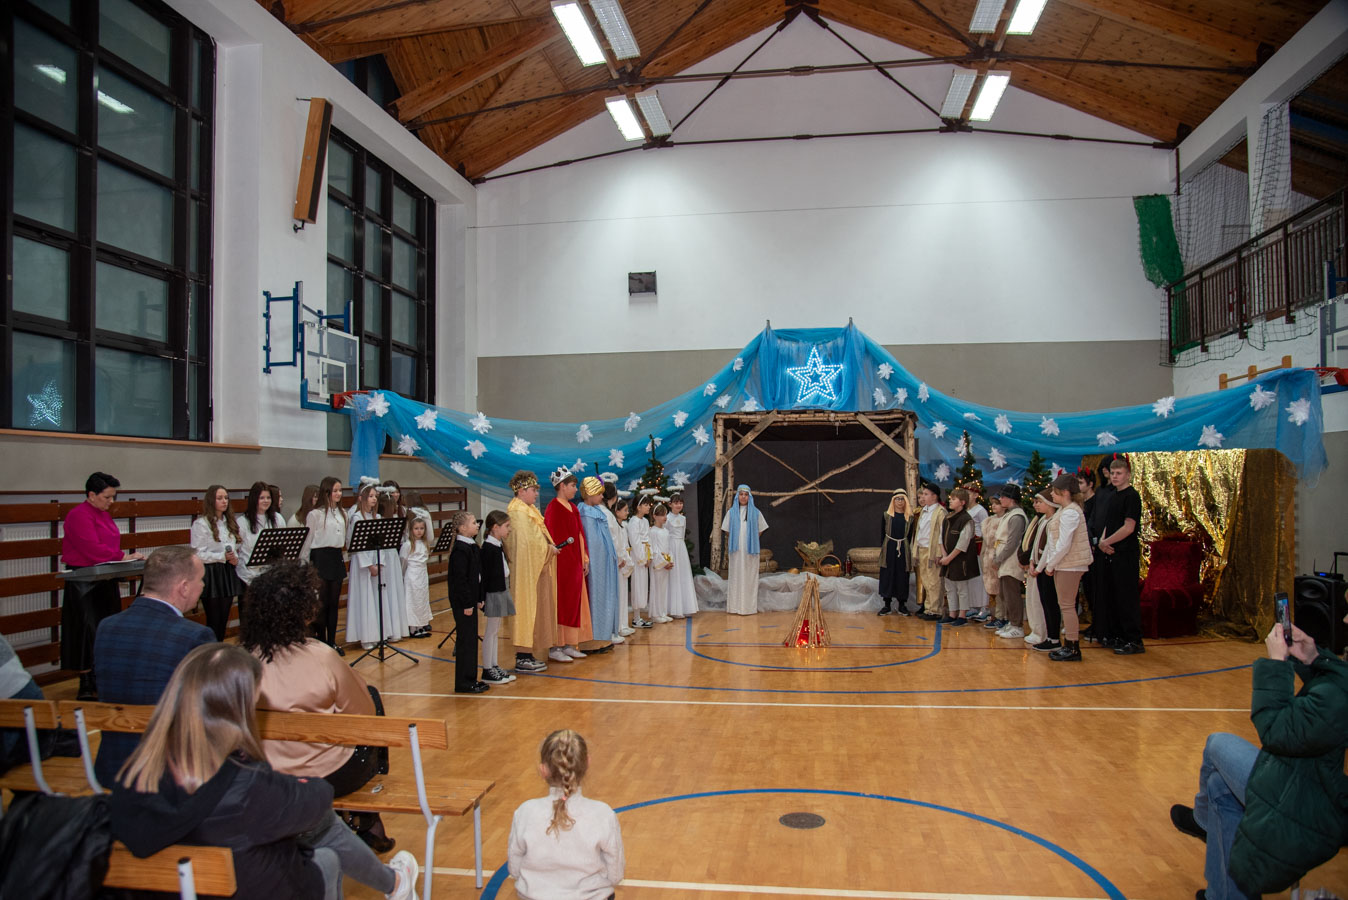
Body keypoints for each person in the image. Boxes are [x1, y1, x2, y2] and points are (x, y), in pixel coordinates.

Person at [109, 643, 418, 900]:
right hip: (255, 887)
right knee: (326, 854)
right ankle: (394, 884)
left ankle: (393, 883)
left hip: (180, 887)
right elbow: (319, 797)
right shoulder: (247, 786)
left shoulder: (134, 775)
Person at [1170, 614, 1348, 900]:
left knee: (1216, 743)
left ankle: (1204, 823)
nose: (1345, 618)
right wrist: (1314, 657)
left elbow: (1275, 731)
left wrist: (1276, 665)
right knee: (1219, 786)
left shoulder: (1337, 701)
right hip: (1316, 782)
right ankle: (1223, 893)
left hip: (1316, 806)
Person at [239, 561, 397, 854]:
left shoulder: (240, 659)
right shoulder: (321, 656)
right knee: (372, 699)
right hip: (325, 775)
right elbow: (363, 716)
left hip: (265, 771)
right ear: (304, 610)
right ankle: (368, 818)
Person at [92, 545, 215, 784]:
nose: (203, 586)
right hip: (169, 770)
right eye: (201, 580)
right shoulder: (193, 636)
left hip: (114, 765)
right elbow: (208, 707)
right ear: (184, 587)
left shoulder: (107, 627)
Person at [507, 729, 624, 900]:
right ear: (587, 763)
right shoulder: (603, 814)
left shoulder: (525, 811)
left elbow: (515, 869)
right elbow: (615, 875)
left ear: (543, 770)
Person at [61, 471, 144, 699]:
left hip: (104, 579)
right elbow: (91, 548)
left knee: (106, 628)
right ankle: (86, 681)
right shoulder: (78, 515)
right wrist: (122, 557)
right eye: (107, 497)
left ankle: (103, 675)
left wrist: (122, 560)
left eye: (113, 496)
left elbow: (108, 546)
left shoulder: (104, 515)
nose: (111, 501)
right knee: (86, 631)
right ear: (91, 495)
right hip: (83, 582)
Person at [346, 480, 409, 651]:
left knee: (378, 599)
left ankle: (380, 634)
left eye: (375, 496)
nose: (374, 499)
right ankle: (366, 637)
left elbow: (382, 543)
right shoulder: (356, 518)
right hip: (363, 567)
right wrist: (369, 565)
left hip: (377, 563)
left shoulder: (378, 518)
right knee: (365, 599)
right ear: (362, 498)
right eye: (371, 496)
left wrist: (379, 562)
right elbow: (355, 546)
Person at [506, 471, 559, 673]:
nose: (537, 494)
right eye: (533, 490)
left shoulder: (528, 509)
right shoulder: (517, 512)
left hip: (534, 569)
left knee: (533, 608)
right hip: (525, 571)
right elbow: (527, 544)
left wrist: (548, 546)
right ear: (522, 491)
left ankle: (528, 654)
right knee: (525, 608)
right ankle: (523, 656)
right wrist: (548, 548)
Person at [1038, 474, 1092, 662]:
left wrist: (1051, 565)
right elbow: (1053, 542)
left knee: (1067, 606)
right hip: (1065, 564)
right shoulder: (1065, 510)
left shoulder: (1070, 513)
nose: (1052, 494)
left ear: (1066, 492)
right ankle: (1069, 644)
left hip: (1070, 565)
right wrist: (1045, 564)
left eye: (1054, 491)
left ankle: (1072, 646)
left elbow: (1064, 544)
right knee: (1066, 605)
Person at [544, 467, 593, 661]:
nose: (575, 489)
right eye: (572, 485)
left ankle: (569, 643)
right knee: (561, 603)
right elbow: (551, 538)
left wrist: (585, 557)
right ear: (562, 486)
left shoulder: (573, 508)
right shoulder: (553, 507)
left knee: (573, 603)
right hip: (561, 564)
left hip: (574, 563)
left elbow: (580, 535)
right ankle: (555, 646)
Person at [1099, 455, 1145, 655]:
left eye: (1119, 473)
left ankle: (1133, 639)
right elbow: (1109, 524)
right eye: (1113, 473)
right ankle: (1118, 635)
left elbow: (1128, 527)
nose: (1115, 476)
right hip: (1111, 552)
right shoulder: (1113, 496)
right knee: (1113, 596)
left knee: (1126, 597)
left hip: (1125, 553)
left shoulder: (1132, 496)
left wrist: (1107, 542)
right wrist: (1102, 542)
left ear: (1128, 475)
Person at [191, 485, 245, 642]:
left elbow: (234, 547)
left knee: (223, 619)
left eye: (226, 498)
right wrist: (222, 556)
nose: (224, 501)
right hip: (211, 574)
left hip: (227, 571)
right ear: (211, 500)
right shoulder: (201, 524)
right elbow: (198, 554)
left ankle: (219, 647)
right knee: (214, 619)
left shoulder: (229, 523)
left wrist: (234, 558)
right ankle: (211, 650)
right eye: (220, 498)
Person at [305, 476, 347, 652]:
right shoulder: (315, 514)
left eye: (340, 490)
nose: (338, 493)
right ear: (327, 492)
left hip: (336, 557)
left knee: (334, 604)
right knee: (322, 604)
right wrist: (305, 566)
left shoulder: (342, 513)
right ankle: (322, 641)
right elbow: (307, 542)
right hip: (320, 558)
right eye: (335, 490)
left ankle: (332, 641)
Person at [579, 478, 623, 644]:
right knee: (596, 596)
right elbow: (592, 541)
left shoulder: (598, 511)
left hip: (605, 561)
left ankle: (604, 634)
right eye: (599, 493)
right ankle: (596, 636)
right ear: (590, 494)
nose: (602, 497)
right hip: (596, 563)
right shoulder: (585, 513)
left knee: (606, 596)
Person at [448, 511, 488, 694]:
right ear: (463, 528)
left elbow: (477, 576)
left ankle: (471, 678)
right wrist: (467, 604)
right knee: (465, 642)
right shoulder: (460, 550)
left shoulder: (471, 546)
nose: (477, 525)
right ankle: (463, 682)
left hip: (471, 601)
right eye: (473, 523)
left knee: (472, 641)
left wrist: (479, 598)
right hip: (463, 604)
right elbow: (460, 581)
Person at [480, 510, 518, 684]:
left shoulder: (497, 545)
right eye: (506, 526)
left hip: (500, 590)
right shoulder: (488, 548)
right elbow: (484, 576)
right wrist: (482, 598)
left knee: (495, 631)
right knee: (491, 632)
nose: (509, 529)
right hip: (493, 593)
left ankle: (494, 665)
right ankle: (487, 669)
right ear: (495, 527)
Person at [1081, 458, 1116, 646]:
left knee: (1104, 591)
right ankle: (1098, 626)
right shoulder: (1102, 492)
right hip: (1094, 546)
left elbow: (1112, 520)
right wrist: (1092, 539)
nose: (1109, 474)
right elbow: (1093, 519)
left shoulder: (1115, 494)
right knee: (1093, 590)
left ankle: (1108, 629)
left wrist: (1103, 540)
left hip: (1108, 547)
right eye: (1108, 470)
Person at [721, 485, 768, 616]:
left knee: (750, 577)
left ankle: (748, 608)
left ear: (749, 497)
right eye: (741, 494)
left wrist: (752, 539)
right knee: (735, 576)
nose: (743, 497)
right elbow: (726, 530)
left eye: (746, 495)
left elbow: (761, 529)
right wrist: (737, 539)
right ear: (737, 496)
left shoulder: (756, 512)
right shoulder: (731, 512)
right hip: (736, 551)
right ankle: (735, 607)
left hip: (750, 552)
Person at [990, 485, 1029, 640]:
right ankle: (1011, 622)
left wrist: (999, 559)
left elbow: (1012, 542)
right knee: (1005, 594)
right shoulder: (1010, 514)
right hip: (1004, 559)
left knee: (1012, 593)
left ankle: (1017, 625)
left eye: (1003, 497)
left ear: (1011, 499)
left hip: (1011, 560)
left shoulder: (1017, 517)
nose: (1000, 499)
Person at [1026, 488, 1062, 651]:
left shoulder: (1054, 521)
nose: (1036, 505)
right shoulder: (1042, 520)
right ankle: (1049, 636)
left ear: (1050, 503)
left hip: (1047, 568)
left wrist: (1040, 567)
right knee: (1044, 602)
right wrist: (1032, 561)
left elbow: (1049, 547)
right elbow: (1035, 544)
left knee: (1050, 603)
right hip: (1038, 566)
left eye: (1040, 502)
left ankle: (1053, 637)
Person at [937, 488, 979, 626]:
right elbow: (941, 537)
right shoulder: (947, 518)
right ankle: (952, 613)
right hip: (947, 559)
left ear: (962, 502)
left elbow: (963, 543)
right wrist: (944, 555)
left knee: (961, 588)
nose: (950, 501)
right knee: (950, 588)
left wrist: (949, 558)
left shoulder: (966, 520)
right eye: (950, 498)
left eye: (954, 499)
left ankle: (962, 615)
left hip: (960, 559)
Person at [236, 481, 286, 588]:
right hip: (248, 576)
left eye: (268, 498)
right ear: (254, 499)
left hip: (272, 575)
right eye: (262, 498)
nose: (266, 501)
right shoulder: (242, 522)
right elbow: (237, 549)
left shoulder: (278, 518)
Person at [907, 484, 947, 621]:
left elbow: (942, 534)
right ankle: (928, 608)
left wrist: (939, 553)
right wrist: (916, 550)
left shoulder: (940, 512)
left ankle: (936, 610)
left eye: (926, 494)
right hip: (922, 548)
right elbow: (919, 532)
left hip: (932, 551)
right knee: (925, 580)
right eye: (922, 494)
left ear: (934, 496)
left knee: (934, 581)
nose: (923, 497)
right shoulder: (924, 511)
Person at [400, 508, 434, 639]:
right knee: (412, 600)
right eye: (416, 528)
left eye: (421, 528)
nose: (419, 531)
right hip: (412, 575)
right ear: (411, 530)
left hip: (422, 575)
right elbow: (403, 561)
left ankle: (421, 626)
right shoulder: (408, 545)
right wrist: (403, 575)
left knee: (422, 600)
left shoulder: (425, 544)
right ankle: (412, 628)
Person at [877, 489, 910, 616]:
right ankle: (887, 605)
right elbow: (882, 534)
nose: (900, 501)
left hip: (903, 547)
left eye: (902, 499)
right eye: (897, 499)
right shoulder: (886, 515)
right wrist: (885, 549)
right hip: (889, 547)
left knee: (902, 575)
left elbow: (910, 535)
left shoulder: (910, 518)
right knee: (888, 574)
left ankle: (902, 605)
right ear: (893, 501)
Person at [665, 494, 698, 619]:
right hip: (671, 547)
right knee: (674, 576)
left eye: (680, 503)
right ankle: (675, 609)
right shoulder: (667, 518)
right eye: (676, 503)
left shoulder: (683, 518)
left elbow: (682, 534)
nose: (678, 505)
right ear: (670, 504)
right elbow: (666, 535)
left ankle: (686, 607)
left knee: (683, 575)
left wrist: (681, 546)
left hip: (681, 548)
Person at [625, 494, 653, 628]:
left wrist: (649, 556)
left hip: (645, 556)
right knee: (637, 586)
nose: (648, 507)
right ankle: (636, 618)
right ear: (638, 507)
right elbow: (635, 542)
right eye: (645, 505)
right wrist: (642, 558)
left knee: (643, 586)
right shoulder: (633, 522)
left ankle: (639, 617)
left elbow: (648, 539)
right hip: (637, 558)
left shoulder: (645, 521)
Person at [611, 498, 636, 636]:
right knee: (619, 595)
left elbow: (625, 546)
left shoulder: (623, 527)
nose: (627, 513)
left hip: (624, 562)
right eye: (625, 510)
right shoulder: (614, 527)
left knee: (624, 594)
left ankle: (624, 624)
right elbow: (616, 545)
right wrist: (620, 559)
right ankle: (619, 626)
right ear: (617, 511)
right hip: (619, 564)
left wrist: (627, 560)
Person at [648, 501, 675, 624]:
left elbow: (669, 547)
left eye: (665, 514)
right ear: (655, 516)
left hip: (665, 563)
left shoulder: (665, 531)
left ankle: (663, 612)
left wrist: (670, 560)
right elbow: (654, 550)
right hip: (658, 565)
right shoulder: (653, 531)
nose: (665, 517)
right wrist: (663, 563)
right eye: (662, 515)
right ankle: (656, 614)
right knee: (657, 588)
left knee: (664, 589)